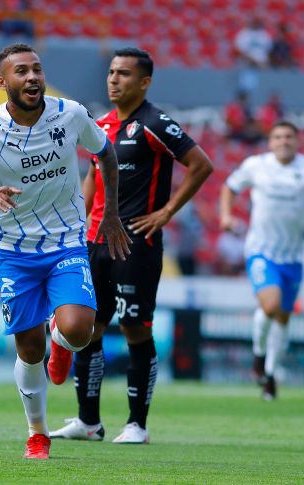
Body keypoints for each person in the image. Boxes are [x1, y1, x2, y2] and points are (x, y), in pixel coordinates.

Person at [0, 43, 131, 459]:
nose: (32, 77)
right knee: (28, 349)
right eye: (21, 71)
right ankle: (37, 434)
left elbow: (106, 153)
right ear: (3, 82)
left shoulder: (70, 113)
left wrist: (110, 215)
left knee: (77, 330)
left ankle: (61, 343)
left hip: (66, 240)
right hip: (15, 251)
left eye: (37, 69)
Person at [50, 47, 214, 444]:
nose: (113, 80)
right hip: (94, 242)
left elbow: (201, 164)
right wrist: (77, 226)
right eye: (111, 72)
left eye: (123, 74)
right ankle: (88, 422)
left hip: (136, 244)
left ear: (144, 82)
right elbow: (92, 178)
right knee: (89, 329)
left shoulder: (156, 123)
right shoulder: (100, 125)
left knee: (135, 329)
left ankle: (137, 424)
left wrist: (167, 212)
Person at [219, 120, 304, 400]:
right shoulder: (256, 166)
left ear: (298, 142)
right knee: (271, 305)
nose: (283, 141)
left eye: (289, 137)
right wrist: (226, 215)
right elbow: (229, 187)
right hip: (261, 251)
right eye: (278, 137)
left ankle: (270, 375)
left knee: (283, 319)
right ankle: (258, 357)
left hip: (292, 257)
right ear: (270, 142)